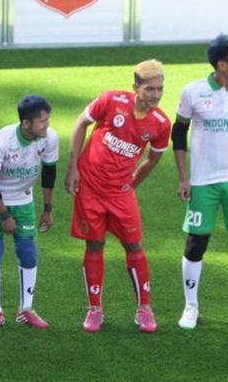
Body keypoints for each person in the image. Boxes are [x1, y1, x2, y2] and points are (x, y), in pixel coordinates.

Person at [65, 59, 171, 333]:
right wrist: (72, 167)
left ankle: (144, 309)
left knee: (134, 246)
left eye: (160, 89)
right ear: (135, 87)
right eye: (150, 89)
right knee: (95, 245)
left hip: (120, 193)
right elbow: (81, 123)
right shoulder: (111, 101)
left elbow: (152, 159)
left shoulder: (160, 123)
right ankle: (95, 309)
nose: (156, 95)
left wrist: (131, 184)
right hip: (90, 187)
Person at [172, 34, 228, 330]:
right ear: (222, 65)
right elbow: (178, 133)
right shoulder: (193, 92)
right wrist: (183, 177)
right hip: (203, 183)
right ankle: (191, 306)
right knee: (196, 244)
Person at [0, 95, 58, 332]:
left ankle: (26, 309)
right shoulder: (1, 142)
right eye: (42, 122)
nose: (47, 126)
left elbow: (49, 173)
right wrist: (4, 216)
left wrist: (48, 209)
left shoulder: (49, 138)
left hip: (23, 198)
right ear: (26, 123)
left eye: (47, 120)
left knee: (27, 250)